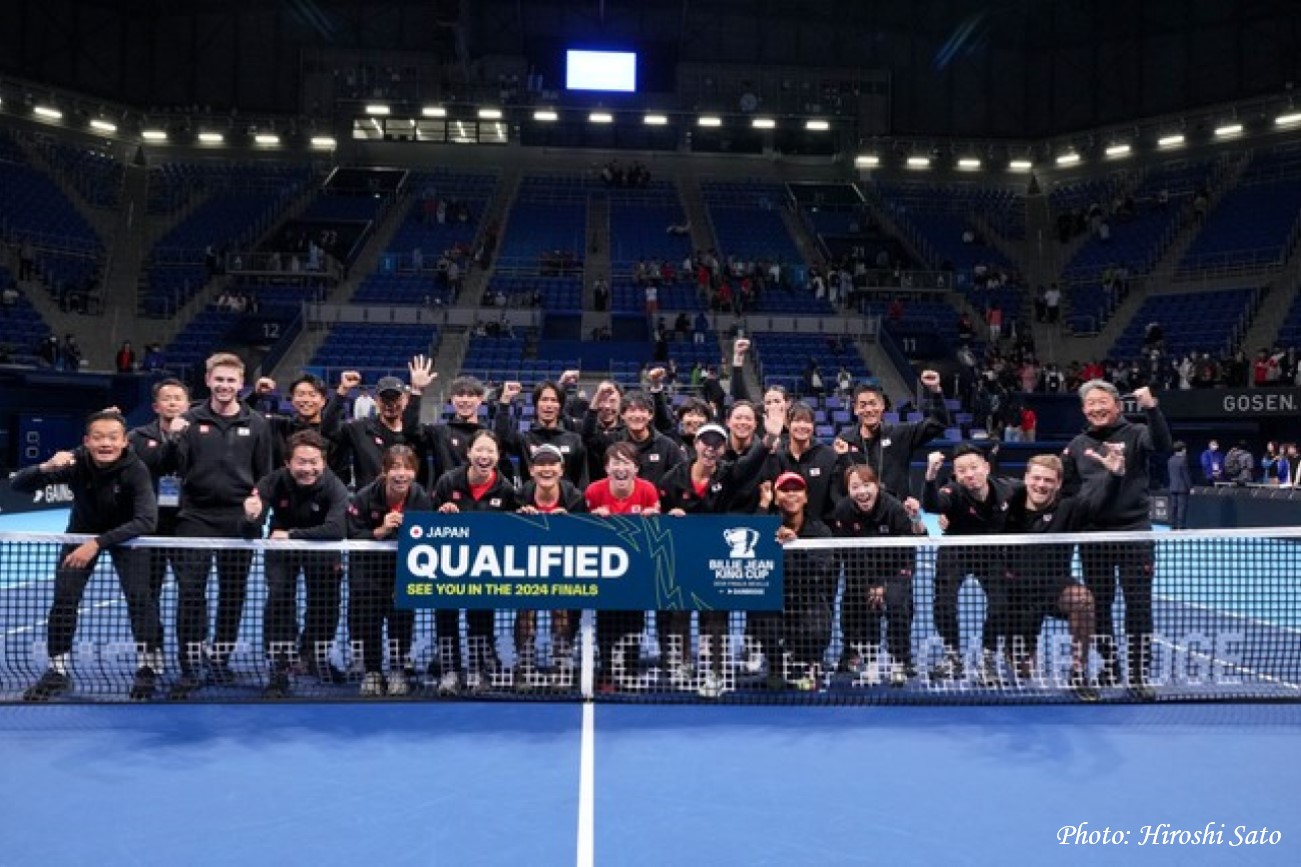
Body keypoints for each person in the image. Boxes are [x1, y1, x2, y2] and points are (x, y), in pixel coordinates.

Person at [12, 411, 159, 701]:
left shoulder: (136, 469)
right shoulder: (76, 463)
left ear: (124, 442)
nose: (106, 443)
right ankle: (57, 671)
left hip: (128, 537)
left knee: (141, 601)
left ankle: (148, 667)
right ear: (86, 441)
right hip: (79, 535)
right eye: (98, 437)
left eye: (113, 438)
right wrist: (46, 466)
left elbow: (146, 521)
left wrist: (96, 543)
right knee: (64, 601)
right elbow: (18, 485)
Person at [166, 352, 275, 699]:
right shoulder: (188, 420)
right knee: (191, 593)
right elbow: (171, 467)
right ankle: (189, 664)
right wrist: (172, 437)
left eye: (232, 380)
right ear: (208, 380)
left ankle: (220, 658)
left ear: (240, 384)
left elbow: (267, 475)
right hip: (194, 518)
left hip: (238, 520)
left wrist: (258, 504)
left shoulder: (257, 423)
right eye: (220, 379)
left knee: (233, 595)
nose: (225, 386)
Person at [1061, 381, 1171, 698]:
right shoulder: (1078, 444)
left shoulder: (1136, 433)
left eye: (1102, 401)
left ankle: (1138, 675)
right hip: (1094, 537)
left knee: (1138, 606)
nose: (1096, 408)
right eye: (1090, 403)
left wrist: (1152, 408)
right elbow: (1065, 488)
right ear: (1083, 410)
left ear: (1117, 405)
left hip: (1134, 533)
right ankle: (1110, 666)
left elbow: (1163, 445)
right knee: (1099, 607)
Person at [658, 419, 781, 697]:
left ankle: (715, 673)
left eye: (717, 444)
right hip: (683, 556)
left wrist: (769, 438)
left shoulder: (727, 474)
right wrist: (669, 518)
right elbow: (658, 517)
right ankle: (684, 662)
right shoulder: (672, 479)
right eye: (706, 443)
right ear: (695, 445)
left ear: (723, 449)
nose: (711, 449)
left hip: (717, 558)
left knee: (715, 616)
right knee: (679, 611)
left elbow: (751, 464)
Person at [1003, 451, 1125, 700]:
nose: (1041, 485)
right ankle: (1017, 650)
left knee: (1083, 600)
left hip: (1054, 587)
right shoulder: (1008, 505)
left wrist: (1114, 476)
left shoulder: (1070, 508)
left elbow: (1100, 502)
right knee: (1023, 669)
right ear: (1026, 478)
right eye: (1036, 478)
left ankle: (1078, 671)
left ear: (1058, 483)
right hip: (1016, 595)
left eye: (1048, 480)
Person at [244, 430, 350, 698]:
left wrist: (292, 535)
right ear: (288, 463)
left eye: (314, 462)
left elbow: (336, 529)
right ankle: (279, 667)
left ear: (323, 462)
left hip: (320, 548)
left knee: (326, 604)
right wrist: (249, 517)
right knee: (279, 599)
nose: (308, 468)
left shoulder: (334, 485)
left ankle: (314, 656)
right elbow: (250, 529)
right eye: (301, 462)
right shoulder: (272, 482)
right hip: (282, 551)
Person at [922, 443, 1022, 685]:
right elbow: (933, 506)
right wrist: (930, 477)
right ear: (955, 474)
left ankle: (988, 657)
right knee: (944, 603)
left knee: (1001, 605)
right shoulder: (952, 492)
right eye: (962, 470)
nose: (969, 474)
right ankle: (953, 656)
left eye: (974, 467)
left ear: (986, 467)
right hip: (956, 551)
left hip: (992, 555)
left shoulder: (1010, 490)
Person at [430, 430, 519, 693]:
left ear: (498, 455)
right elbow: (429, 521)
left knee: (481, 620)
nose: (484, 455)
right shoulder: (448, 482)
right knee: (445, 617)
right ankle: (449, 671)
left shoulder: (505, 489)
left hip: (484, 568)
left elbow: (513, 527)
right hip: (448, 565)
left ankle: (477, 671)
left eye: (490, 451)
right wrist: (441, 512)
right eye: (479, 450)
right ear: (468, 453)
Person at [827, 465, 926, 687]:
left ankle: (900, 659)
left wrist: (886, 587)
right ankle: (861, 655)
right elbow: (845, 553)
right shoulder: (843, 511)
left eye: (866, 485)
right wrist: (869, 585)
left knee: (899, 606)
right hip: (860, 571)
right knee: (855, 606)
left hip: (895, 569)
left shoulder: (894, 509)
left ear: (877, 485)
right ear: (848, 490)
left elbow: (908, 551)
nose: (862, 492)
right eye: (855, 487)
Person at [347, 445, 432, 698]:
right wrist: (379, 532)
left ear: (414, 473)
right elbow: (349, 535)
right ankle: (372, 672)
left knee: (401, 620)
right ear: (384, 472)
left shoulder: (420, 499)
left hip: (403, 570)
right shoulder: (364, 497)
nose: (401, 474)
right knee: (369, 620)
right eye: (395, 468)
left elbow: (428, 539)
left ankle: (397, 670)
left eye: (407, 468)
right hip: (368, 570)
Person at [585, 441, 662, 693]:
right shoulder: (594, 491)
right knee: (606, 621)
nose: (621, 468)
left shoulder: (648, 490)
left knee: (634, 622)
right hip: (605, 569)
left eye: (626, 463)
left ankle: (629, 670)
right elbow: (579, 529)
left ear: (636, 468)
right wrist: (592, 519)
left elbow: (659, 532)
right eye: (615, 462)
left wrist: (654, 518)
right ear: (607, 468)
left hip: (638, 570)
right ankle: (607, 671)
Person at [752, 472, 836, 691]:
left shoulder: (820, 530)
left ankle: (807, 663)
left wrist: (795, 547)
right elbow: (750, 557)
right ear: (776, 497)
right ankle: (776, 666)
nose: (791, 495)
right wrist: (763, 504)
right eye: (784, 490)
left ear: (806, 497)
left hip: (807, 598)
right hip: (775, 598)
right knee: (759, 614)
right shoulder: (766, 526)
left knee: (818, 627)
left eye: (796, 490)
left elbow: (821, 569)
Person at [513, 443, 588, 689]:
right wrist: (521, 517)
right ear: (532, 470)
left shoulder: (574, 497)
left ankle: (561, 661)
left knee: (561, 611)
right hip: (527, 561)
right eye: (541, 464)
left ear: (561, 469)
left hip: (562, 561)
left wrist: (569, 522)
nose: (546, 469)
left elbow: (586, 534)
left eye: (552, 464)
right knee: (526, 612)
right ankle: (524, 663)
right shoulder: (521, 495)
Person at [834, 371, 950, 511]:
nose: (869, 409)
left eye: (873, 403)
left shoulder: (900, 434)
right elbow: (840, 482)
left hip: (898, 513)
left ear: (882, 406)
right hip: (860, 516)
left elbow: (938, 423)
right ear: (855, 410)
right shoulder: (845, 440)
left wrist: (935, 391)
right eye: (863, 405)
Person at [1167, 441, 1193, 530]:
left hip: (1172, 487)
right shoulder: (1183, 460)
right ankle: (1181, 526)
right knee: (1182, 508)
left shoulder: (1170, 460)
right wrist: (1190, 487)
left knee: (1173, 508)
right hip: (1182, 488)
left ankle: (1172, 526)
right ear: (1182, 450)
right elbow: (1186, 475)